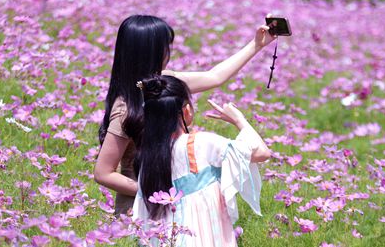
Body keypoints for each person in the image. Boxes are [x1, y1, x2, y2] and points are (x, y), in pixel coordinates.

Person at [94, 14, 276, 216]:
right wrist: (154, 193)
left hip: (176, 206)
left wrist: (256, 44)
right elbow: (103, 173)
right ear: (150, 51)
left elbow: (214, 77)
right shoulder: (127, 106)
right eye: (165, 46)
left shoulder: (165, 82)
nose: (168, 53)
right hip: (139, 213)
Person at [131, 74, 272, 247]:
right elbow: (261, 152)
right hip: (209, 244)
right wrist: (240, 121)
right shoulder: (201, 143)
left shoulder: (148, 158)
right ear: (186, 112)